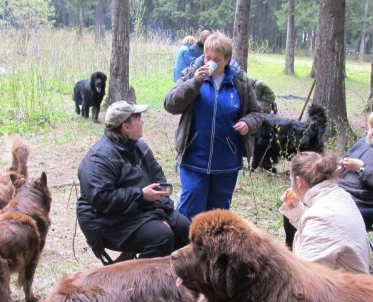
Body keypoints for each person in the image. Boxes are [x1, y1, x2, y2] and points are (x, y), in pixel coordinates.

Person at [284, 106, 373, 248]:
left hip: (360, 206)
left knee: (311, 216)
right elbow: (344, 161)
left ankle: (309, 257)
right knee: (294, 205)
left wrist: (362, 168)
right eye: (372, 127)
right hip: (334, 195)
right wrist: (336, 167)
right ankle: (294, 252)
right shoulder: (364, 143)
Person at [164, 31, 263, 220]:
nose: (209, 62)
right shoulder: (191, 74)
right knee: (190, 206)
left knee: (217, 217)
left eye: (216, 59)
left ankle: (212, 250)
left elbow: (257, 113)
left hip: (226, 163)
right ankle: (183, 248)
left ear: (227, 59)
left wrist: (247, 123)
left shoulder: (240, 83)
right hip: (193, 158)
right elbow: (170, 104)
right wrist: (194, 82)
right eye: (207, 57)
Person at [77, 101, 190, 259]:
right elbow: (100, 199)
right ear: (126, 126)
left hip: (137, 209)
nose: (142, 121)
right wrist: (140, 195)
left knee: (186, 229)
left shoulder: (139, 147)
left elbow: (158, 180)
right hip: (104, 219)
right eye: (138, 118)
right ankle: (137, 281)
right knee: (162, 237)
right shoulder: (100, 157)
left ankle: (171, 276)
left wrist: (162, 212)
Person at [280, 152, 370, 274]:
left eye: (291, 180)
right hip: (344, 284)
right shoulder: (339, 195)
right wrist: (296, 210)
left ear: (298, 182)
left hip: (341, 291)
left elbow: (310, 279)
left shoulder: (321, 217)